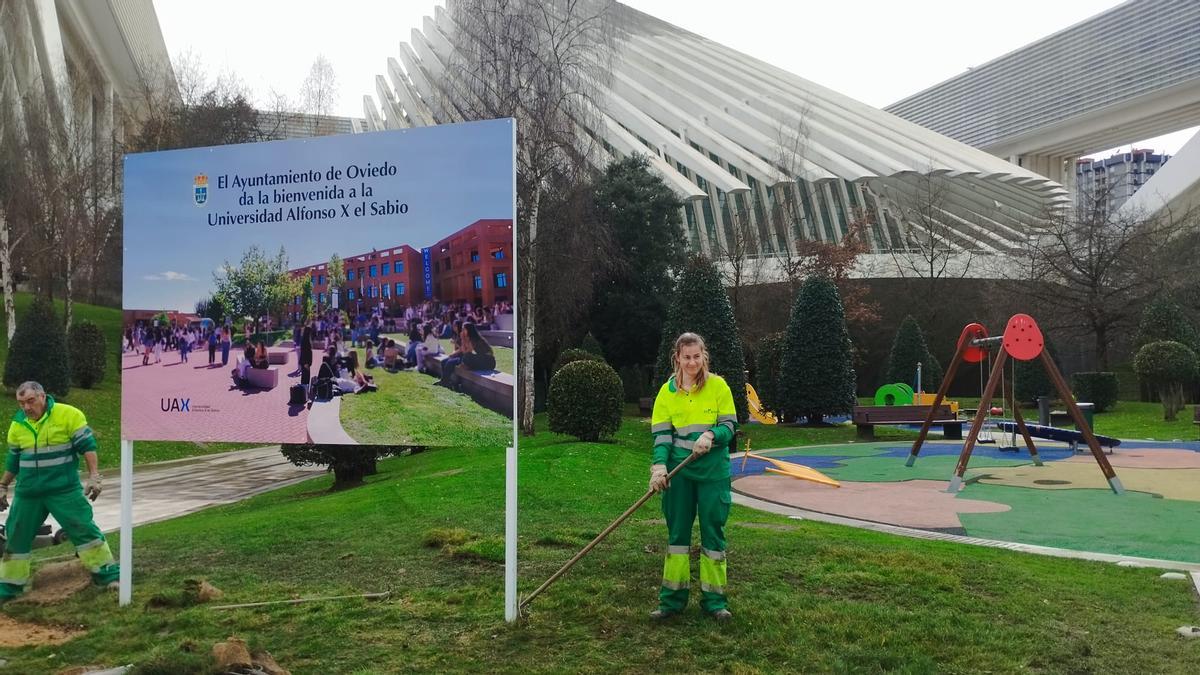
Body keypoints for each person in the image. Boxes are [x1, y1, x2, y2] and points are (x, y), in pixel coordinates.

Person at [0, 381, 119, 601]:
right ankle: (9, 589)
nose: (26, 407)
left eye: (30, 401)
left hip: (63, 490)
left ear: (43, 396)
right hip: (28, 493)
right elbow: (13, 460)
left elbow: (88, 447)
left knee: (83, 529)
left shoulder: (69, 415)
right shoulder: (18, 424)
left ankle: (109, 576)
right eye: (21, 403)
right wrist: (3, 485)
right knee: (15, 536)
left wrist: (94, 476)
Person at [647, 332, 737, 622]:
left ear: (703, 356)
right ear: (677, 358)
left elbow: (729, 426)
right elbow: (662, 436)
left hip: (713, 473)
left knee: (713, 534)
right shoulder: (666, 393)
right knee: (677, 537)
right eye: (686, 357)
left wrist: (711, 434)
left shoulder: (718, 386)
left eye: (696, 356)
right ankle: (671, 601)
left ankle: (715, 602)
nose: (692, 362)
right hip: (679, 473)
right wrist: (659, 468)